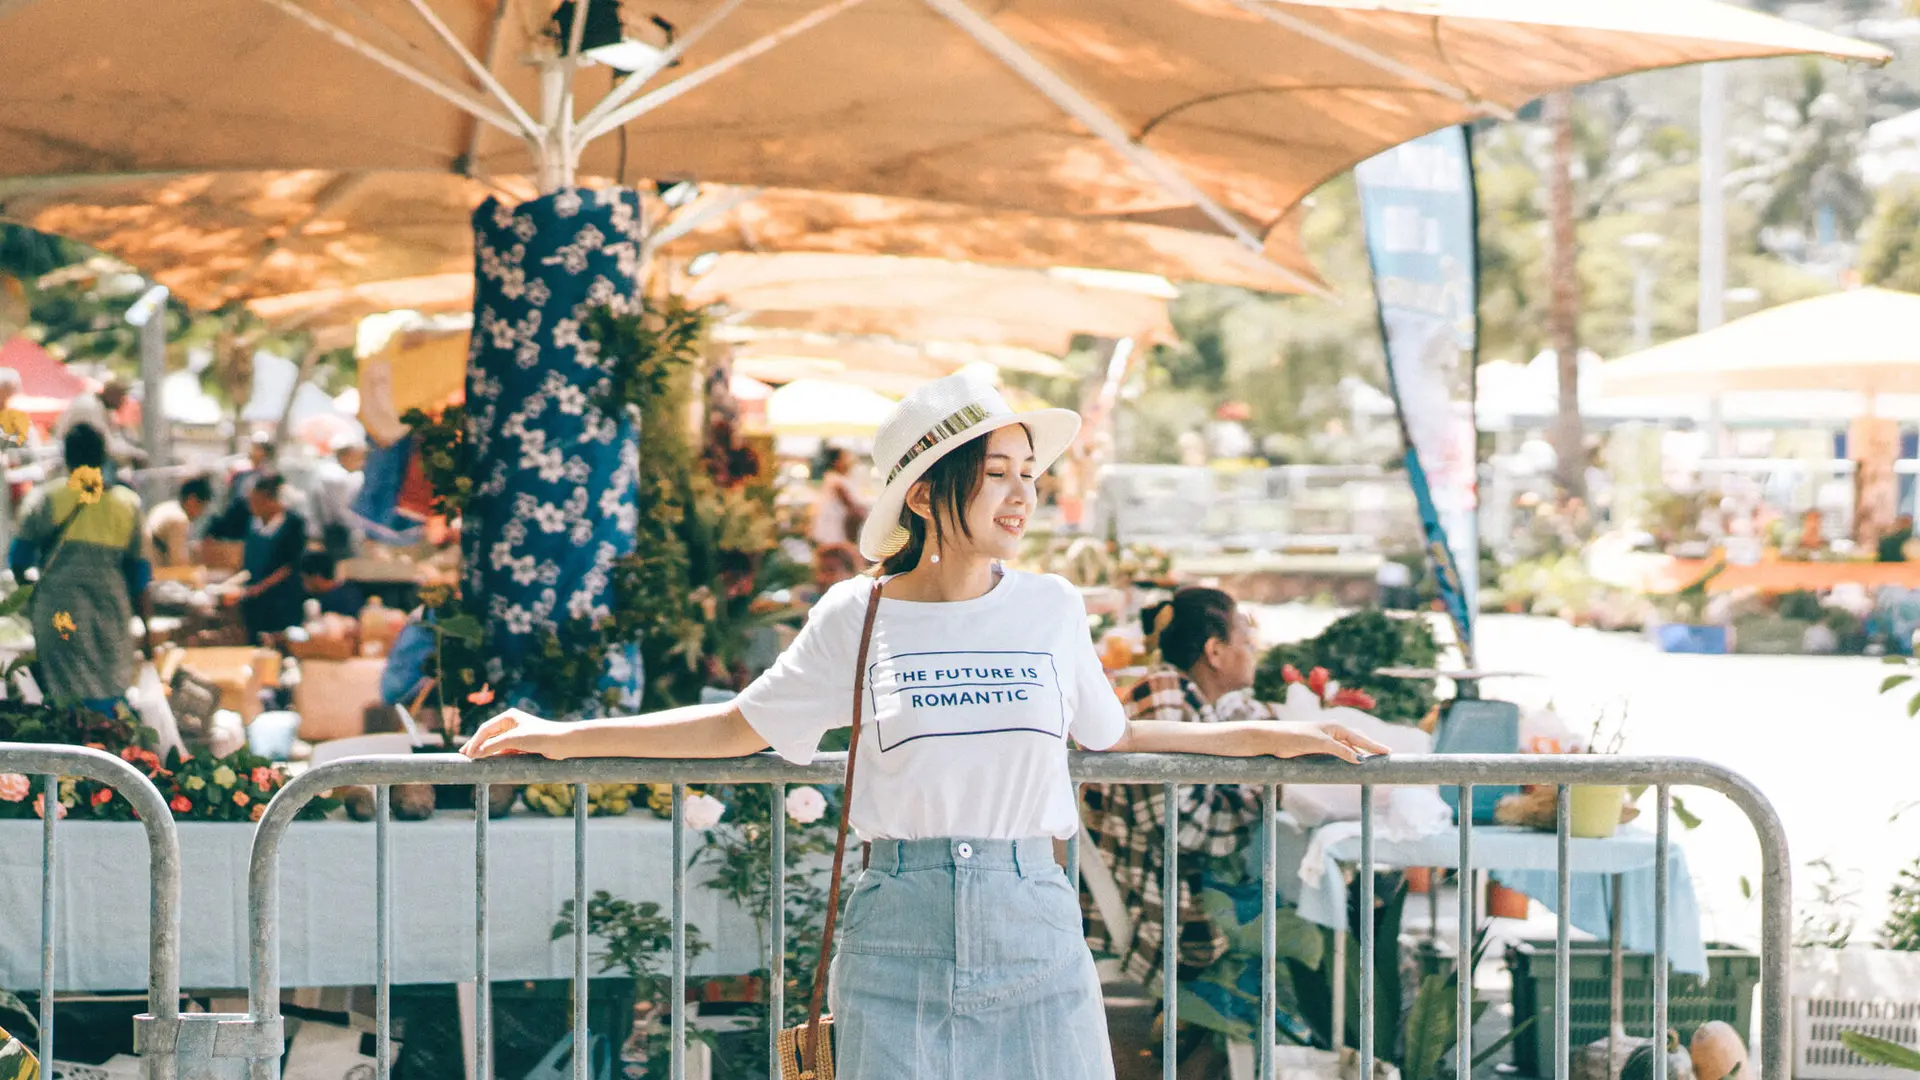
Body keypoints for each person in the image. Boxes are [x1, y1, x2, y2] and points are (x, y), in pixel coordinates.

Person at [461, 372, 1387, 1080]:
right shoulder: (855, 616)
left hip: (1033, 918)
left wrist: (1278, 738)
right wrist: (566, 736)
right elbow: (741, 725)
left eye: (1031, 475)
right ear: (923, 491)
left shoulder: (1053, 606)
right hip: (895, 925)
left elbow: (1114, 738)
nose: (1024, 496)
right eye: (997, 475)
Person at [1081, 587, 1293, 1076]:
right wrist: (1260, 797)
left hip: (1168, 882)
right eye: (1245, 637)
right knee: (1307, 931)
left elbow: (1250, 720)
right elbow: (1181, 824)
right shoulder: (1164, 694)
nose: (1254, 649)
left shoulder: (1190, 695)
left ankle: (1210, 1051)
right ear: (1215, 651)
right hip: (1158, 899)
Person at [9, 425, 149, 705]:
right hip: (110, 612)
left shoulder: (46, 498)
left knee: (65, 689)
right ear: (103, 456)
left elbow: (19, 559)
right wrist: (147, 631)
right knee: (110, 685)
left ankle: (71, 743)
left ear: (67, 456)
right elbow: (140, 577)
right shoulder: (128, 503)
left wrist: (33, 596)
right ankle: (108, 742)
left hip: (58, 609)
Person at [223, 473, 307, 642]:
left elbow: (289, 566)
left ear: (272, 501)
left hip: (281, 601)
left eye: (258, 501)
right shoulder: (252, 524)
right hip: (254, 602)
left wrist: (259, 588)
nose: (253, 506)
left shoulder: (293, 525)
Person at [310, 434, 369, 559]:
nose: (362, 463)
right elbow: (339, 511)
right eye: (359, 458)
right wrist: (361, 530)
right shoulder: (334, 477)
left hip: (338, 532)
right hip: (338, 534)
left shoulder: (340, 474)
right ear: (345, 456)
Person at [809, 446, 866, 575]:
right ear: (837, 461)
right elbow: (850, 505)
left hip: (838, 526)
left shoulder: (840, 479)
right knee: (837, 558)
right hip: (835, 527)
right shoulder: (835, 480)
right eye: (845, 457)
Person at [209, 432, 274, 541]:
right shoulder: (239, 468)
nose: (259, 452)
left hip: (255, 513)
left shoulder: (266, 472)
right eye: (257, 447)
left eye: (262, 448)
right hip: (236, 511)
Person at [147, 475, 214, 568]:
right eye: (202, 507)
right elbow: (179, 564)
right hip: (156, 575)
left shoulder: (164, 507)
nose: (200, 513)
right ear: (192, 500)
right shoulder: (178, 519)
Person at [300, 550, 366, 617]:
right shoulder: (316, 596)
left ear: (317, 578)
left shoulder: (348, 597)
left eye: (305, 579)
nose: (303, 584)